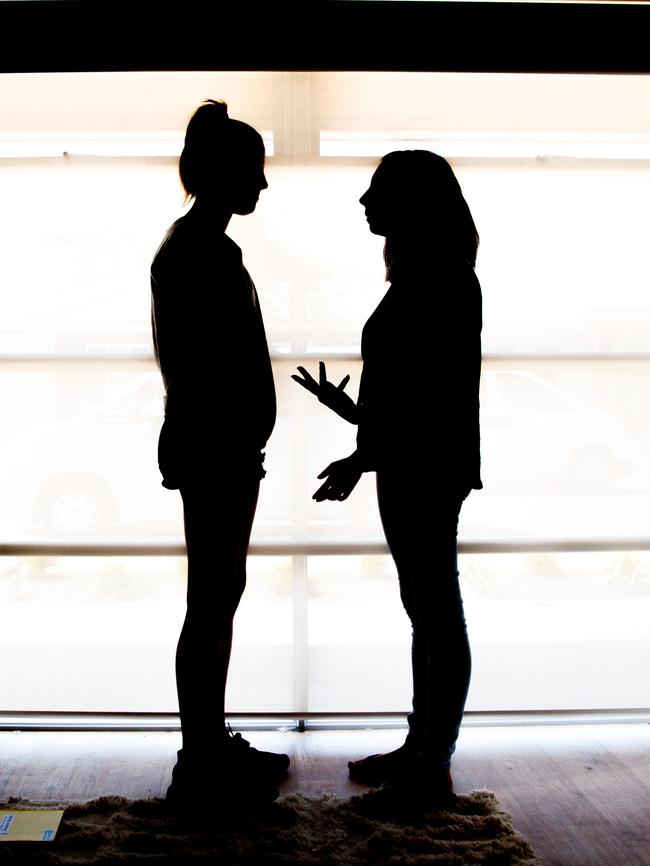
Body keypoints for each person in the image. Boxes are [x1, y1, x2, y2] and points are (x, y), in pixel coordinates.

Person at [293, 149, 482, 806]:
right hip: (412, 463)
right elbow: (410, 397)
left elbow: (430, 401)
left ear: (413, 204)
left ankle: (432, 762)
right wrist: (360, 445)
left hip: (426, 468)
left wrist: (359, 432)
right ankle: (421, 748)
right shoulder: (422, 278)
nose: (364, 202)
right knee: (424, 612)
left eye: (377, 192)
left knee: (436, 612)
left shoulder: (445, 281)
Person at [150, 99, 289, 807]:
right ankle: (200, 752)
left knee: (217, 595)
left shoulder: (200, 247)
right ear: (222, 173)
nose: (262, 185)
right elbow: (198, 366)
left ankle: (207, 740)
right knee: (211, 598)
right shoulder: (196, 252)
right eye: (254, 171)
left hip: (222, 447)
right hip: (217, 449)